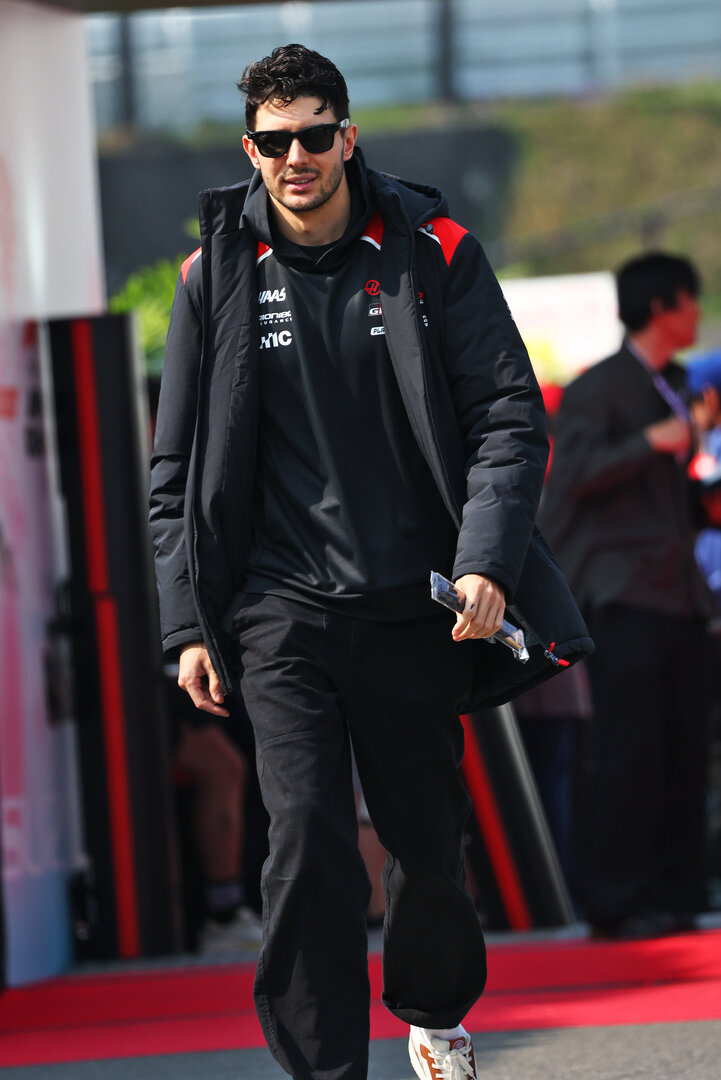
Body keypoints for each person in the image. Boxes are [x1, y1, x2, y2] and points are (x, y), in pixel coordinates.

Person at [149, 44, 590, 1080]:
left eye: (313, 135)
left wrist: (484, 560)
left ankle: (434, 1011)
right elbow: (173, 465)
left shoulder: (433, 249)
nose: (294, 157)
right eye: (273, 141)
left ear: (347, 136)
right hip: (275, 611)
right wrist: (184, 627)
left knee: (425, 848)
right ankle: (323, 1068)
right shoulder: (212, 271)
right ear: (249, 148)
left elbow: (506, 419)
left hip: (412, 604)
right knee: (303, 844)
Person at [539, 252, 716, 940]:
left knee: (682, 748)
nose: (697, 315)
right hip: (620, 597)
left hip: (679, 596)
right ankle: (614, 899)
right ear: (662, 306)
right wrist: (652, 440)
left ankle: (676, 890)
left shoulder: (673, 383)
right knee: (624, 751)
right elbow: (571, 475)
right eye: (690, 301)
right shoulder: (600, 386)